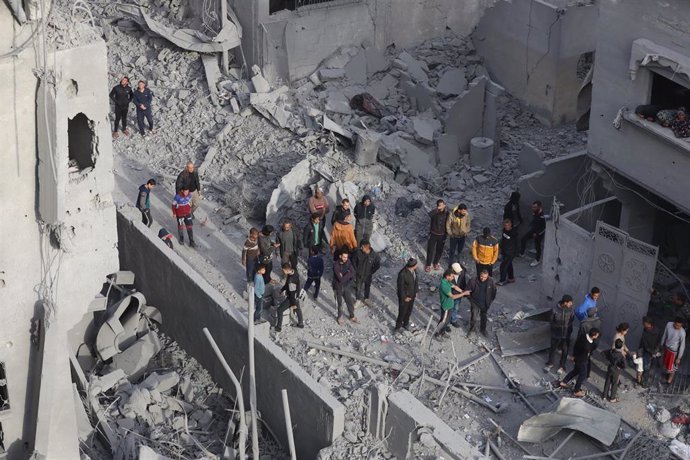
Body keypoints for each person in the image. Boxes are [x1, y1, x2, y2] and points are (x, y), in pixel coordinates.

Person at [557, 328, 601, 398]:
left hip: (577, 358)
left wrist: (574, 356)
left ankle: (564, 382)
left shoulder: (582, 336)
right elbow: (590, 350)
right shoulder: (588, 345)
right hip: (582, 360)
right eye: (597, 335)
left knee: (576, 371)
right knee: (582, 375)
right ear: (593, 336)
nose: (597, 337)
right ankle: (576, 391)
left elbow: (576, 346)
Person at [545, 295, 575, 374]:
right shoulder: (555, 309)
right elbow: (551, 321)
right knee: (553, 349)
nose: (571, 304)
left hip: (566, 335)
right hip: (556, 334)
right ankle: (550, 363)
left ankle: (562, 366)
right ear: (565, 303)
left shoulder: (571, 310)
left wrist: (568, 330)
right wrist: (555, 328)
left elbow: (572, 320)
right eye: (570, 302)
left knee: (565, 350)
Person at [434, 269, 468, 339]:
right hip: (446, 306)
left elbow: (455, 287)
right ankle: (437, 334)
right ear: (447, 276)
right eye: (452, 276)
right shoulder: (444, 285)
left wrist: (462, 291)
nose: (453, 278)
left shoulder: (447, 281)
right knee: (443, 321)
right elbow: (452, 296)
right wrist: (463, 294)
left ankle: (442, 332)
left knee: (446, 321)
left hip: (450, 305)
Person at [466, 269, 497, 336]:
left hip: (485, 304)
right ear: (479, 275)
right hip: (475, 303)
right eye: (481, 276)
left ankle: (483, 329)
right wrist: (471, 300)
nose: (483, 278)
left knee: (484, 317)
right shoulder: (473, 280)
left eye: (485, 277)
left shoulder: (491, 281)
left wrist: (490, 301)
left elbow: (494, 292)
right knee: (474, 317)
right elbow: (467, 291)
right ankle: (472, 329)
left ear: (488, 276)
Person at [274, 262, 304, 332]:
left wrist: (293, 304)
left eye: (283, 270)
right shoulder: (294, 272)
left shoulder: (291, 280)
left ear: (286, 270)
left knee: (279, 310)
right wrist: (282, 289)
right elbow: (287, 284)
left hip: (291, 298)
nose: (283, 272)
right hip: (296, 296)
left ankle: (278, 327)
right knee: (298, 310)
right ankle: (301, 323)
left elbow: (292, 293)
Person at [351, 240, 381, 308]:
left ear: (367, 247)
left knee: (367, 287)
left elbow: (377, 264)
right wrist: (356, 270)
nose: (361, 248)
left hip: (368, 275)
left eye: (362, 247)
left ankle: (366, 298)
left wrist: (371, 271)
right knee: (358, 287)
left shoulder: (374, 255)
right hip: (359, 274)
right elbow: (353, 260)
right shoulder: (358, 252)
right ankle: (358, 300)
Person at [333, 251, 358, 325]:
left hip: (346, 286)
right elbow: (340, 279)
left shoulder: (348, 262)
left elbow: (353, 272)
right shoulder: (336, 265)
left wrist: (346, 274)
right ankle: (339, 317)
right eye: (344, 257)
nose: (345, 259)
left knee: (349, 301)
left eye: (346, 257)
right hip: (338, 287)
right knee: (339, 303)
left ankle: (352, 316)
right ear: (340, 256)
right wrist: (348, 273)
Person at [425, 199, 450, 272]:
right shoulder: (435, 212)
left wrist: (447, 233)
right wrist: (437, 209)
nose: (441, 207)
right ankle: (428, 265)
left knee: (439, 250)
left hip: (442, 235)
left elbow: (449, 222)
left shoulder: (447, 213)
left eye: (442, 205)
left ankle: (435, 263)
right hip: (433, 234)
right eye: (439, 205)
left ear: (444, 205)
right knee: (430, 250)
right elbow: (430, 214)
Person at [519, 201, 546, 267]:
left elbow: (544, 228)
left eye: (535, 207)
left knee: (538, 246)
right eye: (533, 207)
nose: (533, 208)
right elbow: (535, 220)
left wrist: (537, 234)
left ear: (539, 207)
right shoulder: (535, 212)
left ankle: (537, 259)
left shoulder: (542, 217)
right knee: (523, 239)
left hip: (539, 233)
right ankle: (521, 254)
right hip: (533, 231)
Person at [396, 258, 419, 332]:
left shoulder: (414, 271)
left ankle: (405, 323)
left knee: (409, 311)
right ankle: (398, 327)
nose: (417, 265)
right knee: (402, 312)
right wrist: (404, 297)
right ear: (413, 266)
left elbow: (415, 281)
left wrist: (416, 291)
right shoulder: (402, 274)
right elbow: (400, 287)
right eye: (416, 264)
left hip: (412, 295)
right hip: (405, 297)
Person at [660, 317, 686, 384]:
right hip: (666, 348)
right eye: (676, 325)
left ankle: (669, 381)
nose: (677, 327)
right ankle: (667, 374)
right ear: (674, 323)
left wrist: (679, 358)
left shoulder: (682, 332)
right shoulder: (669, 324)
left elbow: (682, 346)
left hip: (674, 352)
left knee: (673, 367)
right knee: (666, 364)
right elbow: (664, 334)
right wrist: (661, 344)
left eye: (679, 326)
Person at [637, 316, 660, 386]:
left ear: (647, 323)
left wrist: (652, 351)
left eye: (643, 322)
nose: (642, 323)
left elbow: (645, 345)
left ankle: (644, 382)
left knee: (646, 367)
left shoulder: (646, 332)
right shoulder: (656, 329)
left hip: (648, 352)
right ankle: (645, 380)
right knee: (650, 366)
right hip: (654, 352)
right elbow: (659, 341)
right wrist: (656, 351)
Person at [603, 339, 626, 403]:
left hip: (610, 368)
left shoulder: (611, 351)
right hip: (616, 371)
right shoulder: (621, 356)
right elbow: (625, 366)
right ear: (621, 347)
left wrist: (609, 360)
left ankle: (604, 396)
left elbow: (603, 353)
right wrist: (620, 367)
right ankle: (612, 398)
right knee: (614, 383)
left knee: (607, 382)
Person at [497, 218, 519, 285]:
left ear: (510, 225)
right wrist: (500, 248)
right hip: (505, 251)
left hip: (510, 253)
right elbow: (503, 240)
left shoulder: (514, 233)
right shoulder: (504, 231)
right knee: (509, 265)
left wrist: (516, 253)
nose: (506, 227)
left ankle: (502, 280)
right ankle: (511, 278)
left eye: (508, 225)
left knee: (503, 266)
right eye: (505, 225)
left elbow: (517, 243)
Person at [449, 263, 468, 328]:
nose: (459, 272)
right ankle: (447, 323)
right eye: (457, 272)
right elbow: (453, 287)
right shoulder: (448, 276)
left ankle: (453, 320)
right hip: (451, 295)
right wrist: (464, 293)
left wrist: (464, 292)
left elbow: (463, 282)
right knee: (449, 309)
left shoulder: (462, 272)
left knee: (456, 308)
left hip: (459, 295)